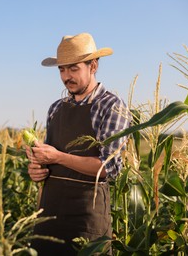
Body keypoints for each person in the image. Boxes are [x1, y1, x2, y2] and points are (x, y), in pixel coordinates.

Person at [26, 33, 131, 255]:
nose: (66, 76)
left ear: (93, 66)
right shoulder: (56, 108)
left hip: (86, 222)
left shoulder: (111, 106)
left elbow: (107, 168)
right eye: (62, 70)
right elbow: (48, 163)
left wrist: (58, 157)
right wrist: (37, 169)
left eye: (73, 69)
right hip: (48, 217)